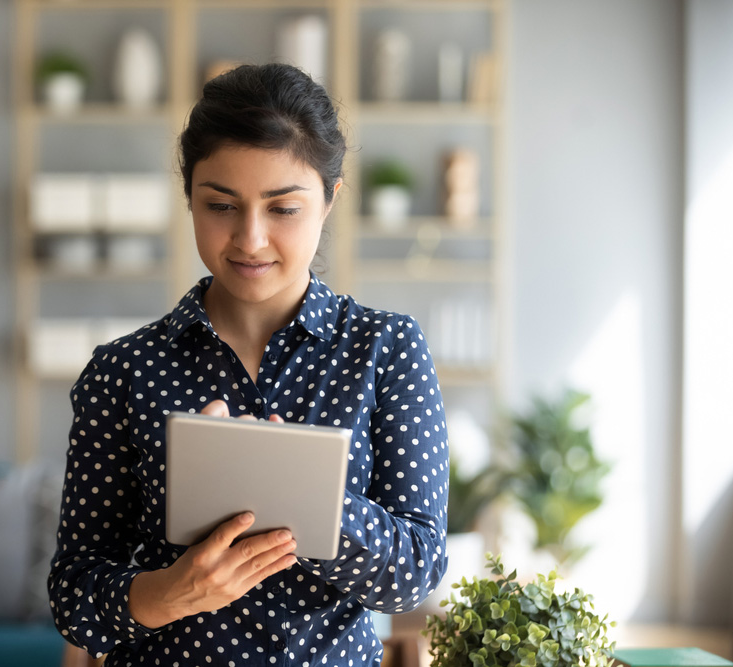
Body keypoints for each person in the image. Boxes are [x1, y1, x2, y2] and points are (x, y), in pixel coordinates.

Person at [49, 62, 449, 667]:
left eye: (283, 208)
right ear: (189, 198)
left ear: (329, 201)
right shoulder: (123, 370)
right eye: (221, 205)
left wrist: (306, 494)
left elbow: (417, 570)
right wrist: (166, 594)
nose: (250, 239)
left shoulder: (385, 350)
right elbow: (72, 594)